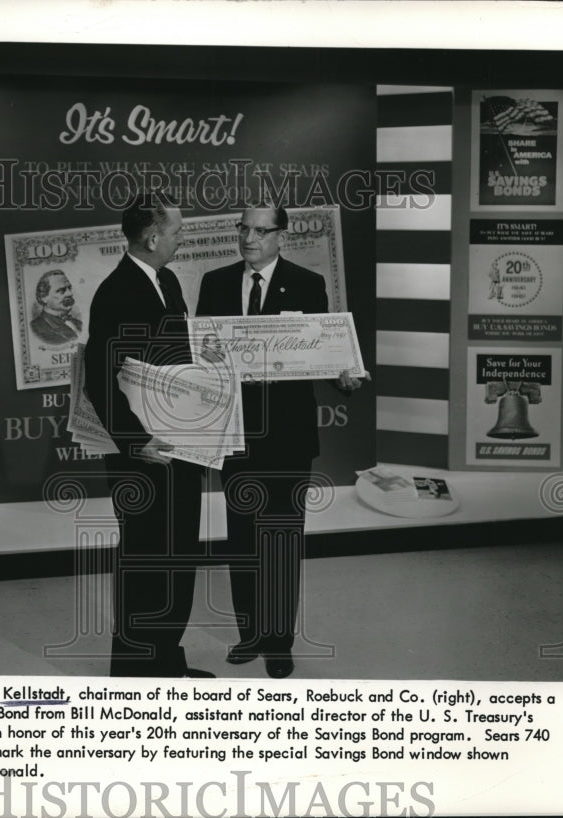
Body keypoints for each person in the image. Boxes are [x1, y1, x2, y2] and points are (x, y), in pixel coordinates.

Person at [196, 204, 365, 679]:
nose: (250, 238)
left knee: (282, 539)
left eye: (261, 231)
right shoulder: (215, 283)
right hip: (235, 434)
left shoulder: (308, 284)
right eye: (243, 229)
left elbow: (326, 353)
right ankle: (250, 632)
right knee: (243, 538)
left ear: (281, 236)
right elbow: (201, 354)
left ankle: (279, 641)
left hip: (289, 437)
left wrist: (345, 379)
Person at [84, 194, 213, 678]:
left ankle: (168, 662)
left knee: (178, 557)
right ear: (153, 237)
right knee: (144, 562)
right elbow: (100, 377)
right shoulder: (115, 291)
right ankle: (136, 678)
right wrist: (134, 441)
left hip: (180, 445)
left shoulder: (169, 281)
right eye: (178, 231)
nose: (183, 238)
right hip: (141, 453)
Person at [30, 269, 82, 344]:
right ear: (44, 297)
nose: (69, 294)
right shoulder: (36, 329)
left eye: (69, 288)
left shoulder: (79, 323)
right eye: (61, 290)